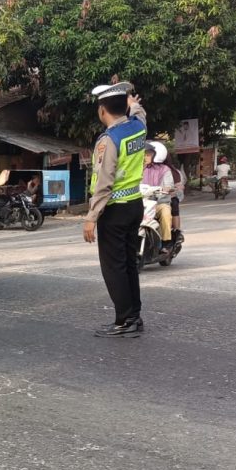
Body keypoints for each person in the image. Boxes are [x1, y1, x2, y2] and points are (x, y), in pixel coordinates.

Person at [83, 81, 147, 337]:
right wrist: (133, 103)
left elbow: (103, 182)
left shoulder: (109, 140)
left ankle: (124, 320)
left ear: (102, 110)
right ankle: (134, 315)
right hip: (135, 204)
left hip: (114, 209)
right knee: (129, 263)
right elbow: (139, 112)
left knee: (114, 267)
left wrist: (91, 217)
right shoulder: (138, 128)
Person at [141, 141, 175, 248]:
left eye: (148, 154)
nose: (145, 157)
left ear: (157, 154)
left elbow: (169, 185)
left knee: (165, 214)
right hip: (142, 202)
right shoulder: (138, 169)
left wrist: (166, 189)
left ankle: (166, 243)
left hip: (159, 203)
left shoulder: (165, 170)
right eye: (144, 154)